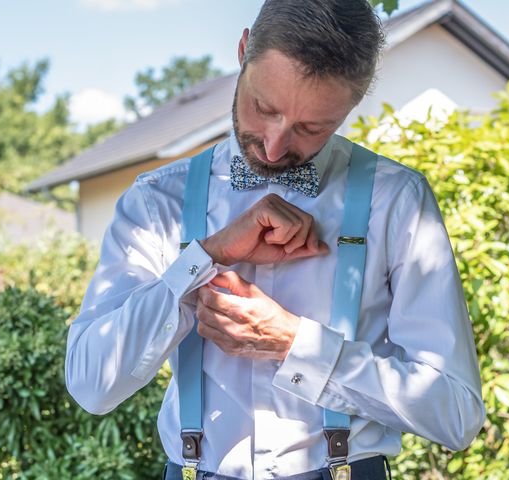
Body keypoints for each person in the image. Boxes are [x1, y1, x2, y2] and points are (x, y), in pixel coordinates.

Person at [65, 0, 486, 478]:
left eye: (311, 128)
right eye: (263, 108)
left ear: (354, 101)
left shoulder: (395, 201)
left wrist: (295, 344)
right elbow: (91, 383)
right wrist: (206, 255)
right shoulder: (158, 201)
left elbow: (456, 414)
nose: (273, 146)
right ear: (244, 51)